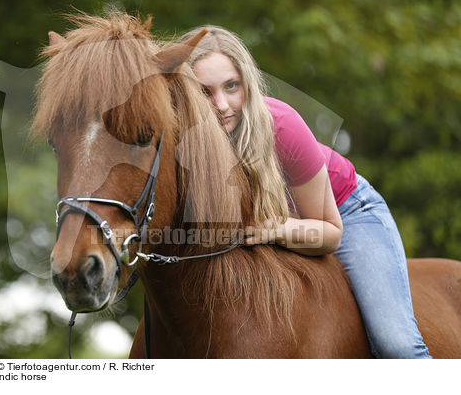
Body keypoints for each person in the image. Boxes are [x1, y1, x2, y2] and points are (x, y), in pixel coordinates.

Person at [180, 25, 431, 359]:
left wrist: (277, 229)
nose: (222, 105)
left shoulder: (281, 125)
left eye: (231, 86)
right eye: (204, 92)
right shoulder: (183, 140)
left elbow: (330, 232)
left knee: (395, 343)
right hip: (278, 232)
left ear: (247, 84)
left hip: (347, 212)